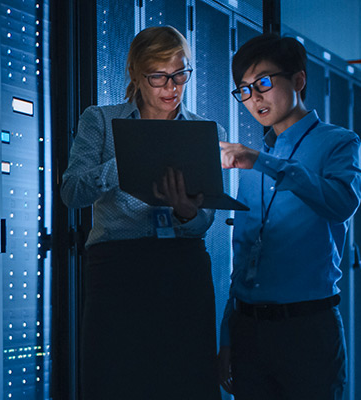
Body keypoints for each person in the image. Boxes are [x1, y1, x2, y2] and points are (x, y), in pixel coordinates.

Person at [61, 26, 223, 399]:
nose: (172, 87)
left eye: (180, 74)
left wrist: (186, 212)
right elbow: (72, 192)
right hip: (118, 270)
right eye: (159, 77)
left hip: (182, 269)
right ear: (135, 74)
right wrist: (129, 161)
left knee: (187, 384)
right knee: (115, 381)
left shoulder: (203, 130)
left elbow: (206, 220)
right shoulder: (100, 121)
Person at [217, 33, 361, 399]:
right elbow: (244, 256)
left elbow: (341, 203)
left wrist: (263, 162)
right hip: (248, 329)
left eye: (263, 82)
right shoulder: (252, 160)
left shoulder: (339, 142)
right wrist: (226, 337)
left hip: (307, 330)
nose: (254, 98)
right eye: (245, 90)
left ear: (298, 80)